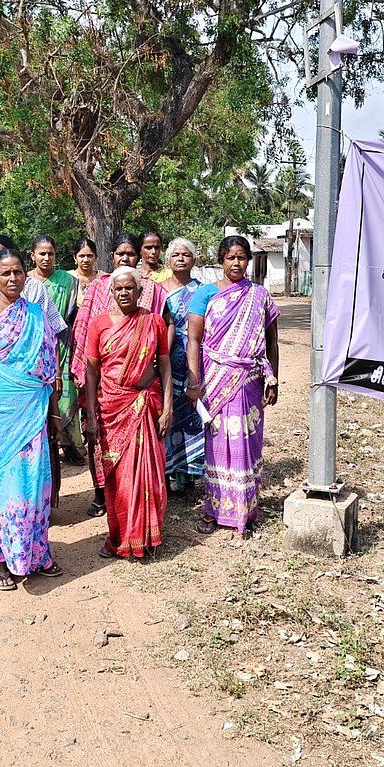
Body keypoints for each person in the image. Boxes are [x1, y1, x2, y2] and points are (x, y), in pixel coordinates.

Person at [0, 247, 63, 590]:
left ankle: (37, 552)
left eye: (18, 271)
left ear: (25, 274)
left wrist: (54, 412)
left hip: (34, 410)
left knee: (35, 483)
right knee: (2, 486)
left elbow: (49, 368)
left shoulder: (37, 313)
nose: (12, 278)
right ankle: (0, 557)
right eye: (5, 272)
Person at [187, 236, 280, 539]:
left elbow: (272, 340)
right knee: (217, 444)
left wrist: (273, 379)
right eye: (230, 257)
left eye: (241, 257)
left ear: (248, 260)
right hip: (215, 379)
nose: (236, 263)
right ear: (221, 261)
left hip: (249, 380)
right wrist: (193, 381)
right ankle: (213, 510)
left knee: (246, 443)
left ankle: (245, 510)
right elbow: (194, 340)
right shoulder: (205, 294)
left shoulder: (259, 295)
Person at [69, 233, 166, 517]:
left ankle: (139, 505)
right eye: (120, 253)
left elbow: (158, 337)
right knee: (98, 442)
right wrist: (81, 372)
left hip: (140, 386)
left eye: (130, 253)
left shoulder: (151, 291)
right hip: (103, 386)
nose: (125, 258)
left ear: (138, 256)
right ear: (111, 256)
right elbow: (82, 331)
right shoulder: (98, 288)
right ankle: (101, 494)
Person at [85, 267, 172, 558]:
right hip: (112, 408)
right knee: (117, 476)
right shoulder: (98, 324)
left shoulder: (154, 322)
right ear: (111, 292)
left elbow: (165, 366)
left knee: (148, 473)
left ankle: (145, 537)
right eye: (119, 289)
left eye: (129, 288)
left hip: (146, 405)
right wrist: (91, 414)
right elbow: (91, 371)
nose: (124, 293)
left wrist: (168, 408)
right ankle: (119, 537)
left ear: (139, 291)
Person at [29, 235, 85, 465]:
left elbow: (74, 316)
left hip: (63, 344)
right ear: (32, 255)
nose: (46, 257)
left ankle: (72, 447)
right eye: (42, 253)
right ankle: (45, 446)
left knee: (66, 392)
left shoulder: (68, 281)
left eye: (50, 253)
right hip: (35, 348)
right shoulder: (26, 282)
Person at [160, 237, 205, 492]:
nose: (181, 258)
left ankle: (189, 476)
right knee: (167, 414)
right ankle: (166, 473)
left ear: (194, 260)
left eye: (186, 254)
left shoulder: (203, 290)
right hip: (166, 359)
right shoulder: (158, 291)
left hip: (195, 360)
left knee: (191, 414)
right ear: (168, 259)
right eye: (176, 254)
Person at [69, 236, 105, 304]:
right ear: (75, 258)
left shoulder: (104, 278)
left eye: (89, 256)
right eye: (82, 256)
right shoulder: (68, 277)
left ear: (96, 257)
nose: (86, 260)